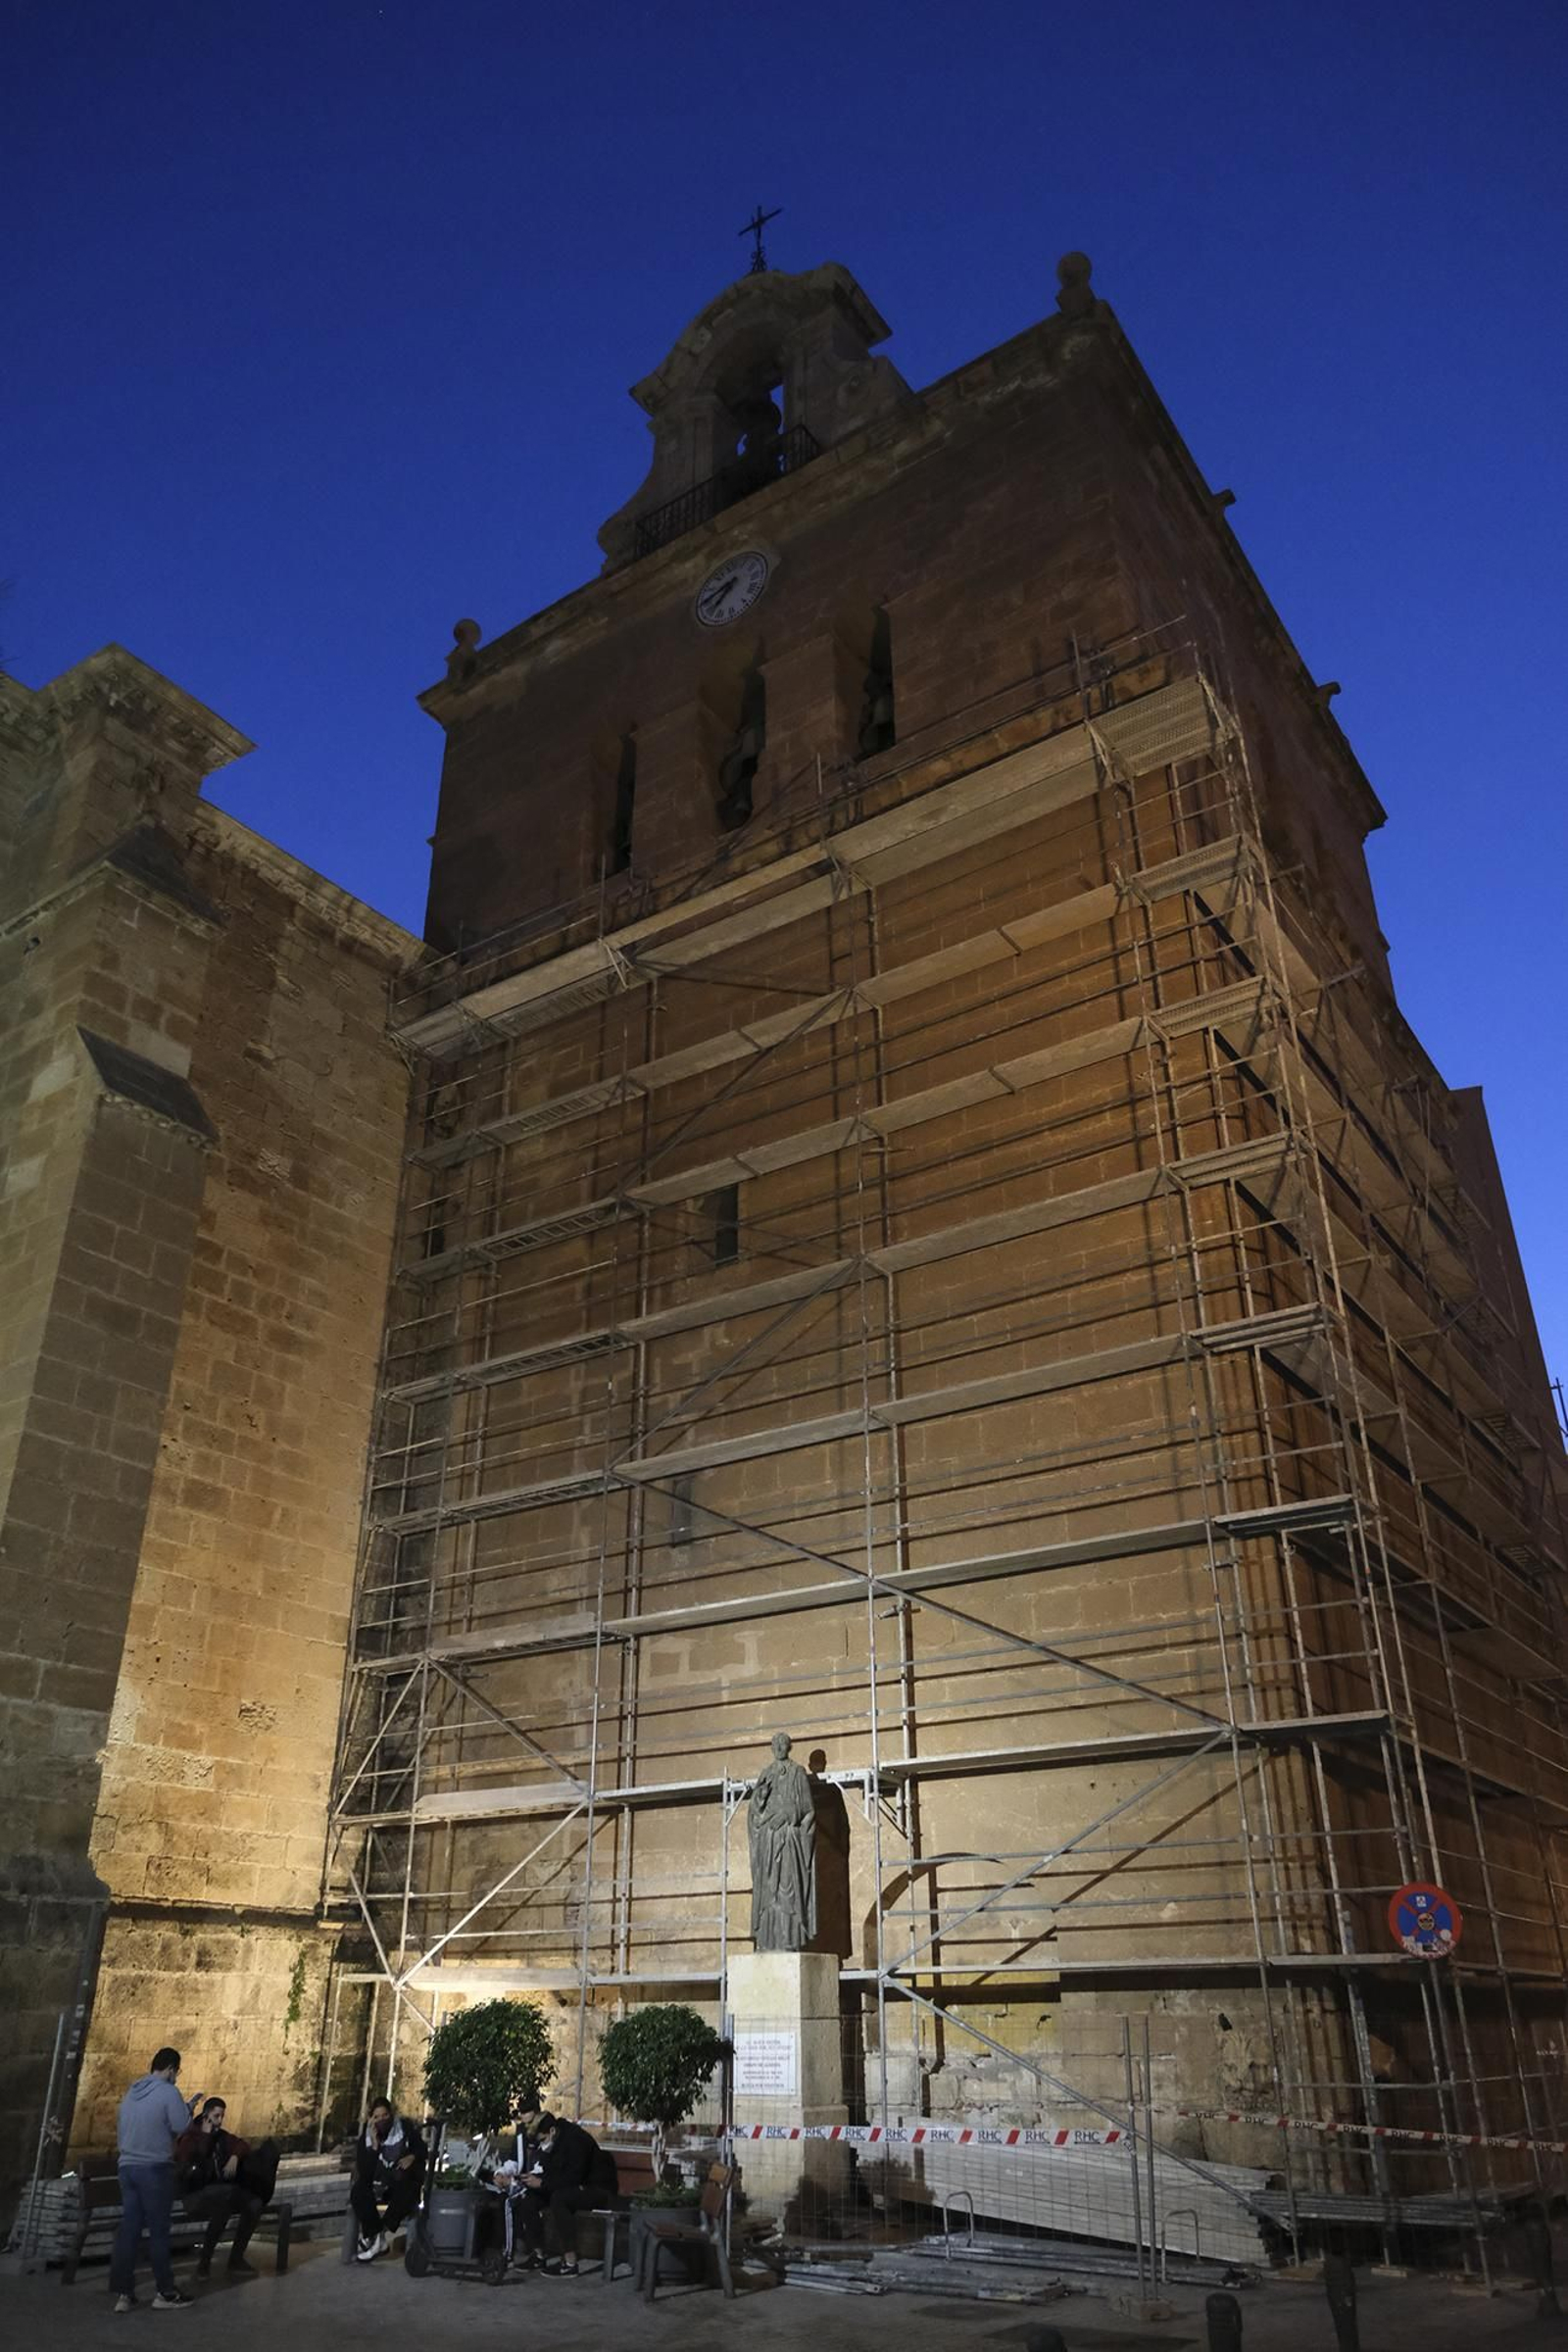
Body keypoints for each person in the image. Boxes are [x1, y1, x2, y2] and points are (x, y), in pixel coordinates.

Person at [109, 2045, 198, 2313]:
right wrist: (189, 2108)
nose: (177, 2077)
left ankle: (124, 2294)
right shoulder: (168, 2091)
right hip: (154, 2169)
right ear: (171, 2068)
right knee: (159, 2231)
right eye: (177, 2072)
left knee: (130, 2230)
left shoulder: (132, 2092)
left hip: (127, 2167)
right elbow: (181, 2126)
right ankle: (165, 2292)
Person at [173, 2097, 279, 2278]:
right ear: (206, 2116)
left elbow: (241, 2144)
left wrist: (234, 2157)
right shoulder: (190, 2137)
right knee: (225, 2200)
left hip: (220, 2196)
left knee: (253, 2204)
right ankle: (204, 2263)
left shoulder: (221, 2137)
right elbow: (188, 2165)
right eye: (216, 2116)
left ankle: (236, 2259)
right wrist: (205, 2137)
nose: (220, 2120)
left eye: (222, 2116)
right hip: (196, 2195)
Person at [517, 2111, 613, 2277]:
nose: (542, 2145)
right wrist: (533, 2180)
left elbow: (573, 2177)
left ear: (552, 2131)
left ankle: (570, 2262)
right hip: (570, 2185)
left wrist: (543, 2183)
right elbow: (553, 2174)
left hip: (595, 2188)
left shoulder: (576, 2140)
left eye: (542, 2140)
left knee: (559, 2199)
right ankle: (538, 2254)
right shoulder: (555, 2142)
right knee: (529, 2198)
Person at [351, 2098, 427, 2261]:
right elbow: (365, 2172)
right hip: (379, 2184)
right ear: (371, 2119)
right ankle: (378, 2238)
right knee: (359, 2191)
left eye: (385, 2115)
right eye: (377, 2117)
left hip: (400, 2182)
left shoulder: (404, 2128)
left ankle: (378, 2238)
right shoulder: (367, 2136)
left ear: (391, 2114)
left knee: (408, 2190)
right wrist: (374, 2146)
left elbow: (421, 2148)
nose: (382, 2120)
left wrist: (411, 2157)